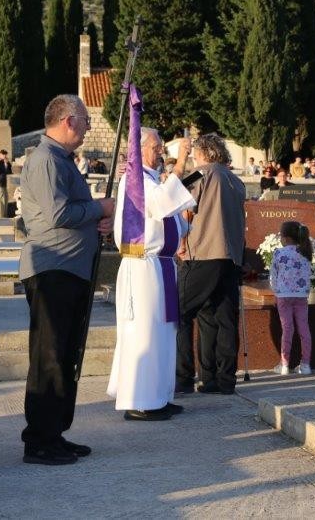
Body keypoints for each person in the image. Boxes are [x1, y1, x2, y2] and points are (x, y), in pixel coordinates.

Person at [19, 94, 115, 465]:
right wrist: (99, 207)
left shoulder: (60, 159)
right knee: (50, 356)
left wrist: (96, 219)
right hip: (53, 270)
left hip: (70, 269)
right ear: (68, 121)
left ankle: (54, 434)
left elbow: (72, 211)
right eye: (86, 120)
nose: (89, 127)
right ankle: (39, 441)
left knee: (64, 354)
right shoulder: (45, 159)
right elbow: (58, 213)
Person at [108, 128, 195, 422]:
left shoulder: (150, 178)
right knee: (144, 332)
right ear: (140, 148)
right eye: (156, 147)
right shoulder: (135, 179)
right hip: (143, 266)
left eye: (161, 147)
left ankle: (158, 396)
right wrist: (180, 163)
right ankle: (139, 401)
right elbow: (159, 204)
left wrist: (182, 229)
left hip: (161, 265)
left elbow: (165, 215)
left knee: (162, 333)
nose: (161, 152)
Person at [177, 133, 246, 396]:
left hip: (203, 253)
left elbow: (183, 208)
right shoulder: (236, 181)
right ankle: (222, 380)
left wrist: (180, 241)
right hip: (231, 257)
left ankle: (183, 377)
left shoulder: (200, 174)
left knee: (179, 312)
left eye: (196, 153)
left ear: (204, 153)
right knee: (220, 318)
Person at [270, 221, 313, 376]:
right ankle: (305, 365)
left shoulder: (278, 253)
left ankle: (284, 365)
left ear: (286, 238)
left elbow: (273, 276)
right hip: (301, 296)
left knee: (287, 329)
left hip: (284, 295)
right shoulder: (305, 252)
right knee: (304, 329)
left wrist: (276, 291)